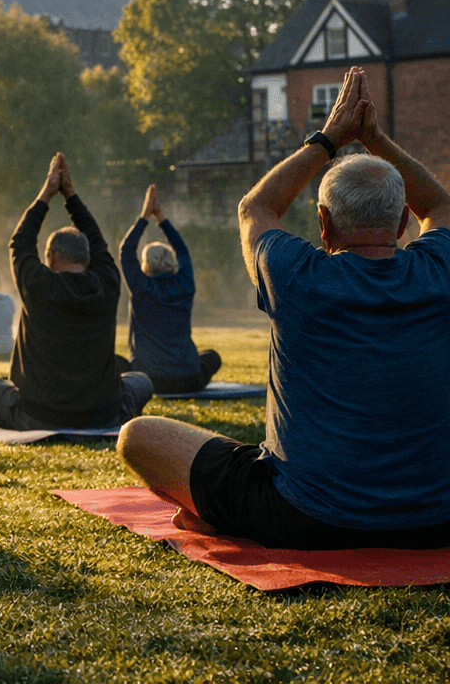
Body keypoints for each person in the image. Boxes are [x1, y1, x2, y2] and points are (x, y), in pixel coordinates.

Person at [119, 67, 450, 549]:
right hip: (434, 522)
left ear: (324, 223)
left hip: (302, 518)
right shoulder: (439, 272)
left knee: (138, 435)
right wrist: (374, 139)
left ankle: (214, 513)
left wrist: (329, 138)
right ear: (402, 221)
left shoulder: (296, 275)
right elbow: (439, 206)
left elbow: (254, 209)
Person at [0, 153, 153, 430]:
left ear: (52, 258)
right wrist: (71, 196)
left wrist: (47, 193)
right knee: (142, 380)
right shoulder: (108, 282)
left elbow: (20, 242)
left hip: (38, 414)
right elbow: (98, 241)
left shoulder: (40, 284)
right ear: (88, 258)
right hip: (104, 414)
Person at [115, 184, 220, 395]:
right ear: (171, 261)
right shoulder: (185, 284)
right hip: (188, 380)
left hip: (147, 381)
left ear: (145, 266)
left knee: (113, 361)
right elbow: (182, 249)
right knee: (212, 357)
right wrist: (161, 217)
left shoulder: (141, 286)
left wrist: (145, 216)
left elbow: (126, 250)